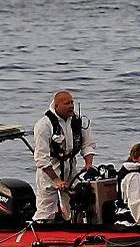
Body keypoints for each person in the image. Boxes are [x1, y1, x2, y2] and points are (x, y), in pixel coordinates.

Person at [32, 91, 96, 222]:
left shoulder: (77, 121)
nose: (71, 106)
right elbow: (41, 158)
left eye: (72, 102)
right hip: (50, 169)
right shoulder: (44, 125)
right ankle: (41, 228)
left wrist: (88, 163)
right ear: (56, 106)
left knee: (76, 203)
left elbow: (87, 145)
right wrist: (56, 181)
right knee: (46, 208)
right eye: (67, 103)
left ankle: (73, 226)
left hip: (70, 167)